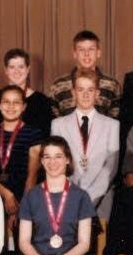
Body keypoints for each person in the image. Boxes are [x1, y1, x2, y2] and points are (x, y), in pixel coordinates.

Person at [50, 70, 120, 220]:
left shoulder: (112, 125)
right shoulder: (58, 125)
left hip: (101, 201)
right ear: (73, 93)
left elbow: (110, 167)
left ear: (97, 93)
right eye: (81, 90)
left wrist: (89, 200)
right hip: (67, 199)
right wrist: (75, 198)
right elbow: (57, 164)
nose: (86, 95)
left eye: (90, 90)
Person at [0, 86, 43, 226]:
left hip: (23, 197)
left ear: (24, 107)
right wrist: (6, 194)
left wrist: (21, 206)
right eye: (6, 102)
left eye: (16, 102)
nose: (11, 106)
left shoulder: (34, 133)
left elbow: (32, 175)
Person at [45, 30, 122, 119]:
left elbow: (116, 120)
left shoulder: (112, 85)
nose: (86, 54)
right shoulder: (58, 85)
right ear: (74, 53)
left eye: (91, 49)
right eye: (81, 50)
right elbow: (53, 120)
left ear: (98, 53)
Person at [0, 48, 53, 137]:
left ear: (28, 69)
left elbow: (44, 134)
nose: (17, 71)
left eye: (21, 67)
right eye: (12, 67)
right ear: (6, 71)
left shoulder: (42, 101)